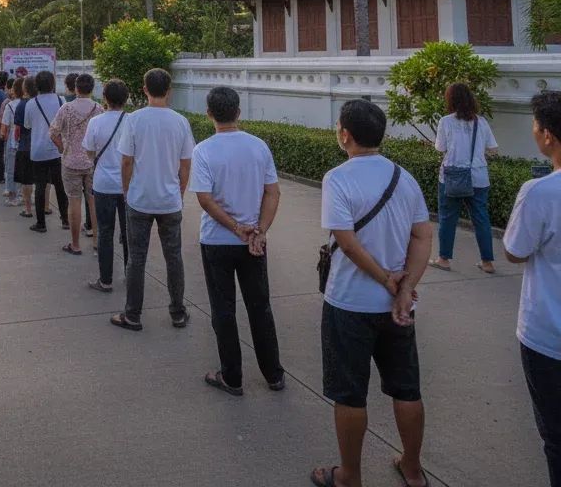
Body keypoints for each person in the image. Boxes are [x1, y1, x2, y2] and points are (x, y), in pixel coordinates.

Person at [311, 99, 433, 487]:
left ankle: (349, 476)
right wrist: (404, 288)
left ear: (344, 134)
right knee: (406, 388)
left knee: (349, 394)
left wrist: (384, 279)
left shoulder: (338, 178)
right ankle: (412, 470)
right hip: (398, 307)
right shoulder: (404, 177)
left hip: (349, 302)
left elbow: (346, 243)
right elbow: (422, 236)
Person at [191, 86, 284, 396]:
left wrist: (234, 227)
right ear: (238, 112)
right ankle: (274, 374)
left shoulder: (204, 150)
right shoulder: (259, 146)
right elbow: (273, 192)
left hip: (217, 241)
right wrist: (259, 230)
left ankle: (232, 377)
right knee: (260, 307)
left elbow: (204, 199)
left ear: (209, 114)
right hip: (254, 243)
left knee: (224, 309)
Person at [504, 91, 561, 487]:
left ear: (548, 137)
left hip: (548, 335)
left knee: (556, 439)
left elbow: (515, 251)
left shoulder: (540, 192)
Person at [110, 68, 195, 332]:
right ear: (169, 90)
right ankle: (178, 312)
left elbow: (126, 161)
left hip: (139, 199)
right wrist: (178, 192)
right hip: (170, 200)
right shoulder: (180, 121)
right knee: (174, 257)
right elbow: (185, 165)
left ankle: (133, 315)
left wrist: (127, 191)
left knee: (136, 258)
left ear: (144, 89)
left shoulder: (134, 120)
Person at [429, 82, 498, 273]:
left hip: (452, 176)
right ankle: (487, 262)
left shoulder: (446, 121)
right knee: (481, 219)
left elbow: (440, 148)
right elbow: (493, 148)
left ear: (450, 100)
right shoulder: (481, 122)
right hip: (478, 176)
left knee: (448, 218)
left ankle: (444, 259)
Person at [50, 72, 102, 256]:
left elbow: (53, 132)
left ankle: (75, 244)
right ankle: (96, 241)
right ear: (92, 89)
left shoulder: (66, 109)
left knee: (74, 202)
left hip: (71, 161)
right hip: (92, 162)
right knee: (94, 202)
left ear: (76, 88)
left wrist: (63, 148)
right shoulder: (99, 109)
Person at [85, 78, 130, 292]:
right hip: (128, 186)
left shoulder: (96, 122)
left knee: (105, 232)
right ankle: (132, 274)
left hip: (103, 184)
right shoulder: (132, 121)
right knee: (129, 232)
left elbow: (89, 151)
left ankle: (106, 280)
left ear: (104, 98)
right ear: (126, 99)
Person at [25, 70, 68, 233]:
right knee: (60, 186)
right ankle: (65, 219)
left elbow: (27, 125)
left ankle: (41, 223)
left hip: (38, 150)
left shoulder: (31, 103)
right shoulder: (61, 100)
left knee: (40, 186)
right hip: (57, 149)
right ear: (53, 84)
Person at [12, 76, 36, 217]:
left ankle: (28, 209)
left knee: (26, 180)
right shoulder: (41, 103)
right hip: (41, 146)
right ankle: (44, 206)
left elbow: (18, 129)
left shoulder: (21, 105)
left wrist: (16, 142)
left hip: (25, 145)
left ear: (24, 89)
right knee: (41, 180)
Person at [0, 79, 22, 205]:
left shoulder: (10, 105)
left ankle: (12, 195)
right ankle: (24, 195)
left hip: (13, 139)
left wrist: (3, 136)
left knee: (11, 168)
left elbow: (4, 127)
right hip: (27, 140)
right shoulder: (29, 103)